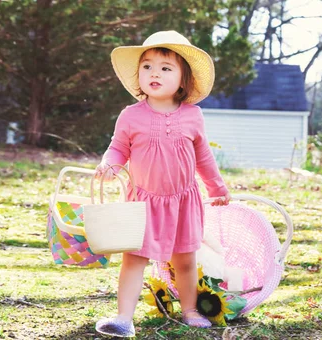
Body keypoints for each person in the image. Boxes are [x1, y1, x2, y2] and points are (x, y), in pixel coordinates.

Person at [94, 30, 231, 338]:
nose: (154, 72)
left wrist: (217, 187)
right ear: (138, 74)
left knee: (184, 260)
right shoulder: (130, 116)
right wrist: (108, 163)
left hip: (182, 201)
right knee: (134, 259)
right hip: (143, 203)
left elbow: (204, 157)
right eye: (147, 66)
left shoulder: (193, 116)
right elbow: (118, 147)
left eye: (165, 68)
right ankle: (124, 318)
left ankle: (190, 310)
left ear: (183, 81)